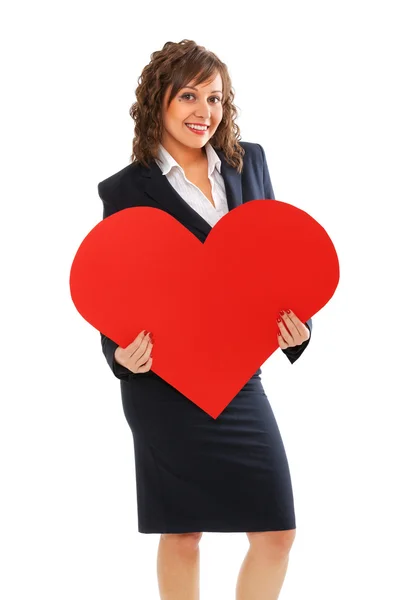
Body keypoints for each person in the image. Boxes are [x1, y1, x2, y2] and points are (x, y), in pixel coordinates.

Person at [98, 39, 312, 600]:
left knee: (277, 533)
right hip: (164, 384)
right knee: (183, 531)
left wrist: (299, 329)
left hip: (238, 375)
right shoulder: (126, 190)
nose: (204, 112)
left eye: (215, 98)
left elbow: (275, 264)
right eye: (189, 95)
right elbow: (114, 287)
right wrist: (119, 354)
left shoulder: (250, 162)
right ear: (159, 101)